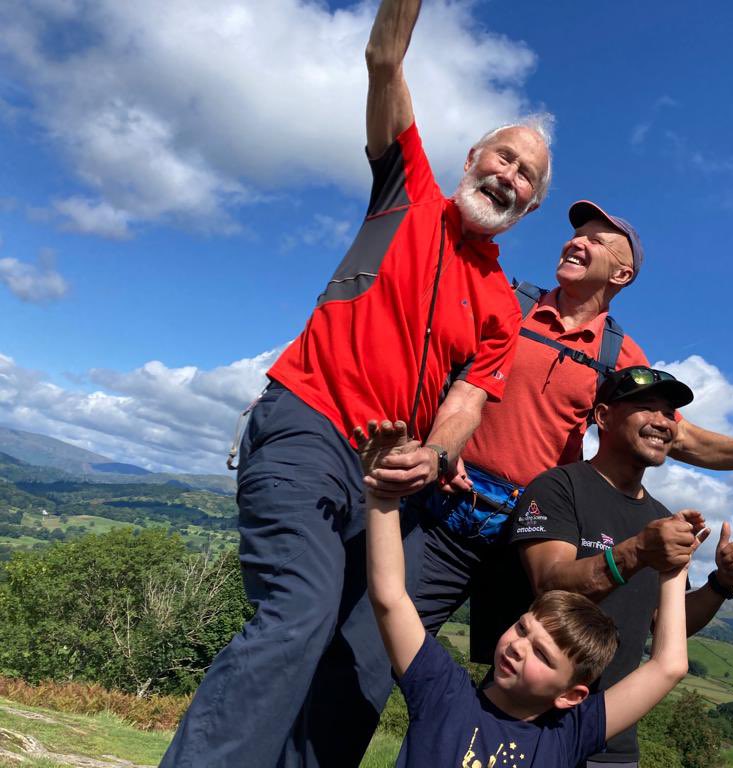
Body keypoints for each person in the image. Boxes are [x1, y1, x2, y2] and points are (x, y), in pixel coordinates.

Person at [159, 0, 551, 765]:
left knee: (369, 654)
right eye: (502, 157)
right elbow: (384, 61)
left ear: (529, 206)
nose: (507, 175)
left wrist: (436, 456)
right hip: (307, 423)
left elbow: (468, 400)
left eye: (525, 176)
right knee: (301, 611)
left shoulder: (504, 309)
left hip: (388, 483)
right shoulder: (406, 193)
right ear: (472, 157)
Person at [399, 200, 733, 656]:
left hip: (534, 529)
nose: (575, 243)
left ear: (622, 274)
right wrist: (441, 444)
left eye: (595, 241)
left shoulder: (619, 354)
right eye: (575, 235)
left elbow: (676, 435)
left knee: (516, 671)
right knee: (382, 642)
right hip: (446, 504)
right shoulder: (507, 303)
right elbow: (431, 366)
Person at [355, 418, 704, 768]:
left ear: (571, 695)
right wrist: (384, 492)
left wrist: (675, 568)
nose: (519, 647)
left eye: (542, 654)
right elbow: (390, 597)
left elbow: (669, 666)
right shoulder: (443, 691)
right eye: (523, 628)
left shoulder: (568, 735)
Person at [492, 365, 733, 766]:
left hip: (611, 740)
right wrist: (636, 552)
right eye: (646, 407)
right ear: (603, 417)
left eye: (669, 413)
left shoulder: (660, 519)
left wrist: (720, 584)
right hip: (523, 724)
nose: (663, 422)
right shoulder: (557, 488)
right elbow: (549, 584)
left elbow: (665, 622)